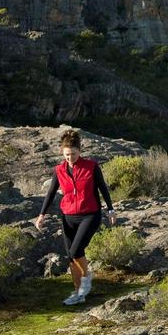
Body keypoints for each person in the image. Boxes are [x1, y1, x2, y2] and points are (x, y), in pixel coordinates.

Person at [35, 129, 116, 305]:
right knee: (71, 257)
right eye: (66, 155)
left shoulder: (91, 167)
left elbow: (102, 188)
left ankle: (86, 280)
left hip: (90, 215)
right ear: (62, 153)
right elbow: (50, 193)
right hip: (68, 216)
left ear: (80, 151)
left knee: (75, 251)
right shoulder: (59, 170)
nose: (70, 158)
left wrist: (111, 209)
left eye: (73, 154)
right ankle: (79, 294)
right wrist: (41, 215)